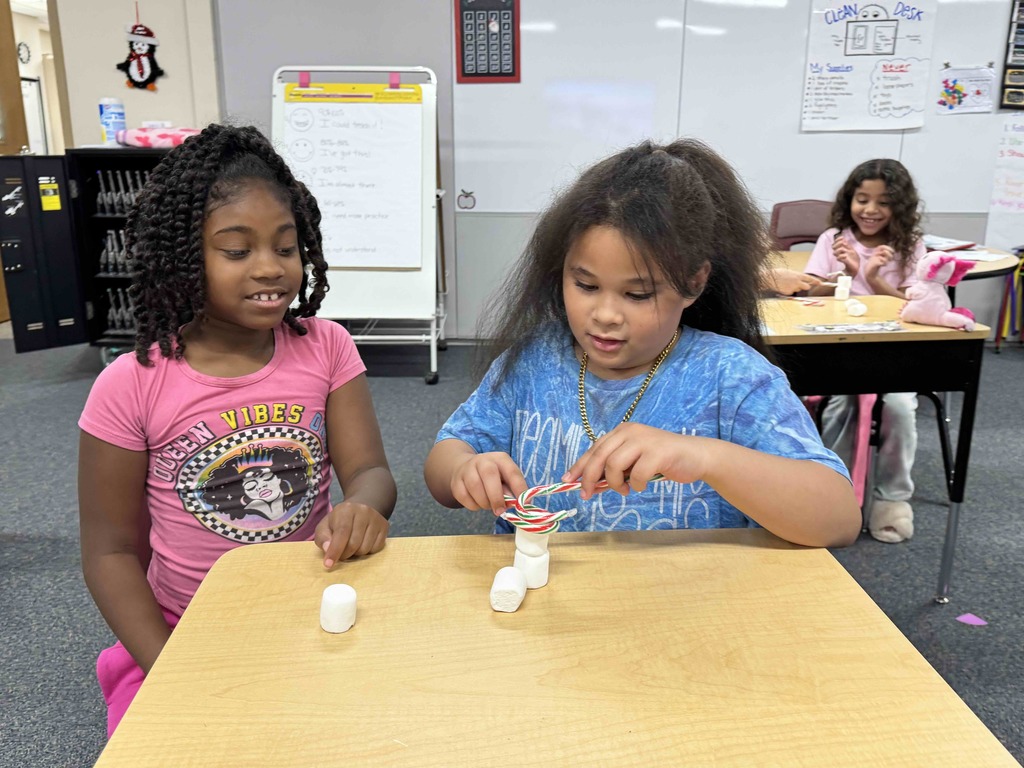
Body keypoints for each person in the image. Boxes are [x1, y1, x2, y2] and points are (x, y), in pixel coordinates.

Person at [78, 124, 397, 736]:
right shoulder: (131, 383)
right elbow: (111, 553)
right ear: (182, 257)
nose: (270, 269)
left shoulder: (326, 348)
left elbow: (371, 473)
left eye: (286, 246)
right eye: (236, 250)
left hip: (313, 610)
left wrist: (363, 506)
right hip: (182, 632)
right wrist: (173, 668)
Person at [424, 139, 861, 548]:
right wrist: (464, 469)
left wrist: (707, 457)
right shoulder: (532, 363)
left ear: (693, 283)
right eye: (585, 284)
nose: (606, 314)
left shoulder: (731, 377)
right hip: (543, 608)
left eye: (638, 295)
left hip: (688, 612)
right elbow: (444, 461)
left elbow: (838, 518)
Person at [803, 158, 927, 543]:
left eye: (883, 202)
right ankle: (834, 496)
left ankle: (891, 499)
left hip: (894, 355)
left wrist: (872, 278)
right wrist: (847, 274)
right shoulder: (834, 240)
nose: (870, 211)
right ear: (849, 200)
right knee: (840, 405)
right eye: (862, 200)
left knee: (900, 409)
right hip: (842, 354)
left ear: (899, 207)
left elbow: (918, 304)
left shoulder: (910, 246)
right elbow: (809, 288)